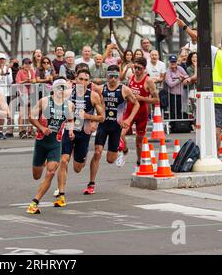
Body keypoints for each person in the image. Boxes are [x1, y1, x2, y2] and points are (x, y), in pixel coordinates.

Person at [179, 19, 222, 166]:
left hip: (217, 96)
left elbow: (198, 38)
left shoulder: (216, 53)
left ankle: (215, 156)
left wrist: (184, 26)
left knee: (217, 127)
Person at [85, 66, 139, 195]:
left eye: (115, 76)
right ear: (107, 76)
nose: (113, 79)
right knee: (97, 153)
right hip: (103, 125)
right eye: (110, 76)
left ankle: (124, 149)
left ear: (119, 76)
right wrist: (92, 121)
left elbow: (136, 104)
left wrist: (129, 120)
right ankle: (91, 184)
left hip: (116, 127)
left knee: (110, 160)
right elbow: (90, 101)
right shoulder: (100, 88)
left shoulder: (124, 90)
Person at [54, 69, 104, 207]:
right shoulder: (68, 94)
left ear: (89, 82)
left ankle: (81, 157)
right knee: (64, 160)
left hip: (84, 134)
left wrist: (88, 117)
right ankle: (61, 193)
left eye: (86, 80)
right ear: (76, 79)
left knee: (77, 168)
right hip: (69, 132)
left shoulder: (93, 96)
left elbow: (102, 117)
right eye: (80, 79)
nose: (83, 82)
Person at [26, 78, 74, 214]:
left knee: (51, 171)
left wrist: (70, 131)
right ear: (53, 88)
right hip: (42, 142)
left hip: (55, 143)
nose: (61, 90)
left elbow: (70, 119)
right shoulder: (45, 101)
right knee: (36, 175)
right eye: (59, 87)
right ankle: (43, 162)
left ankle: (34, 203)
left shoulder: (69, 105)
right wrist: (41, 127)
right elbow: (31, 116)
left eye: (63, 87)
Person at [120, 58, 159, 169]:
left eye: (139, 69)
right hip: (130, 111)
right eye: (135, 68)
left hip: (142, 113)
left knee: (139, 142)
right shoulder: (131, 77)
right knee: (121, 134)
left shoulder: (148, 81)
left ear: (144, 69)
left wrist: (142, 98)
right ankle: (125, 150)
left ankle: (139, 162)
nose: (136, 70)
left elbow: (157, 100)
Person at [0, 53, 13, 140]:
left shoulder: (8, 69)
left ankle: (0, 131)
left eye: (3, 59)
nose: (2, 61)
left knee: (2, 113)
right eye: (0, 59)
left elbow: (10, 81)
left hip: (5, 94)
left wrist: (7, 72)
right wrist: (1, 72)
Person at [16, 58, 36, 139]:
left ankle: (30, 130)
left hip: (31, 93)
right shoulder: (20, 72)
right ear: (23, 64)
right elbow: (17, 81)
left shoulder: (31, 71)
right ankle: (21, 131)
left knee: (30, 114)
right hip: (22, 93)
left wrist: (30, 80)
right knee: (22, 113)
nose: (28, 65)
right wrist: (25, 81)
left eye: (29, 63)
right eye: (26, 63)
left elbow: (34, 80)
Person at [165, 55, 189, 120]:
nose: (173, 63)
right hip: (172, 94)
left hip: (180, 94)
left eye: (174, 62)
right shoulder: (167, 71)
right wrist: (179, 80)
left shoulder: (180, 68)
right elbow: (170, 84)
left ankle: (179, 126)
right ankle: (173, 125)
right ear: (169, 62)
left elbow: (187, 76)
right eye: (171, 62)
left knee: (179, 110)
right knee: (173, 111)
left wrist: (183, 79)